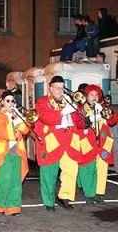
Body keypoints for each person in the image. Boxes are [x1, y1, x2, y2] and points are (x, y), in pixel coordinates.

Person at [34, 75, 82, 212]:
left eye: (62, 87)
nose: (60, 90)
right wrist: (62, 111)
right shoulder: (43, 102)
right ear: (50, 88)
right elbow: (45, 117)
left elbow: (78, 120)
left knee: (71, 170)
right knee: (49, 173)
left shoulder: (68, 101)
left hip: (69, 141)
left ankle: (64, 197)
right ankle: (48, 201)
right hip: (52, 142)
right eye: (57, 87)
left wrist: (75, 106)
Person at [0, 90, 29, 216]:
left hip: (17, 151)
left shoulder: (17, 114)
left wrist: (19, 120)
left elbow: (26, 129)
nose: (11, 103)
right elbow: (0, 132)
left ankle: (13, 207)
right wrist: (13, 124)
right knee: (5, 180)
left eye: (13, 101)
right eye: (8, 101)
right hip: (4, 152)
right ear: (2, 102)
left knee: (16, 181)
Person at [80, 84, 117, 203]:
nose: (94, 97)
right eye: (91, 95)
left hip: (103, 143)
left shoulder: (103, 107)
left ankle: (98, 193)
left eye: (96, 95)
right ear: (86, 96)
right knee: (87, 168)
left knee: (102, 168)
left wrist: (104, 110)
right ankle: (89, 194)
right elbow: (79, 123)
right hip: (88, 142)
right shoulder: (81, 108)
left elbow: (113, 120)